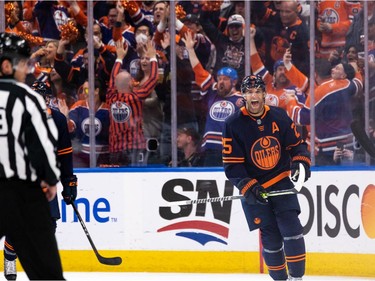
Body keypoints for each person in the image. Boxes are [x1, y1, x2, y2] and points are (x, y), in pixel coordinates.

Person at [222, 75, 311, 281]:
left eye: (257, 91)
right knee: (270, 237)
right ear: (243, 96)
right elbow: (232, 165)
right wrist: (249, 186)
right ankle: (280, 279)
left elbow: (297, 146)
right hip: (255, 188)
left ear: (264, 94)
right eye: (249, 92)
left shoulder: (279, 116)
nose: (254, 95)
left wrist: (301, 162)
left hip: (280, 181)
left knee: (292, 229)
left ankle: (297, 278)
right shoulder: (233, 124)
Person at [0, 32, 64, 280]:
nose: (27, 69)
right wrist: (49, 179)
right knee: (47, 273)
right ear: (6, 66)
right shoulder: (28, 98)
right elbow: (42, 144)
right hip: (23, 195)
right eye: (22, 63)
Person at [3, 80, 78, 280]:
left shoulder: (59, 120)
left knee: (48, 225)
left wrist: (69, 181)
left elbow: (64, 153)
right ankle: (10, 255)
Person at [106, 40, 158, 166]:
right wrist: (153, 58)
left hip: (114, 150)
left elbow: (113, 79)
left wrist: (119, 58)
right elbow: (153, 79)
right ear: (130, 83)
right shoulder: (135, 97)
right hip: (134, 149)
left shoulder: (110, 97)